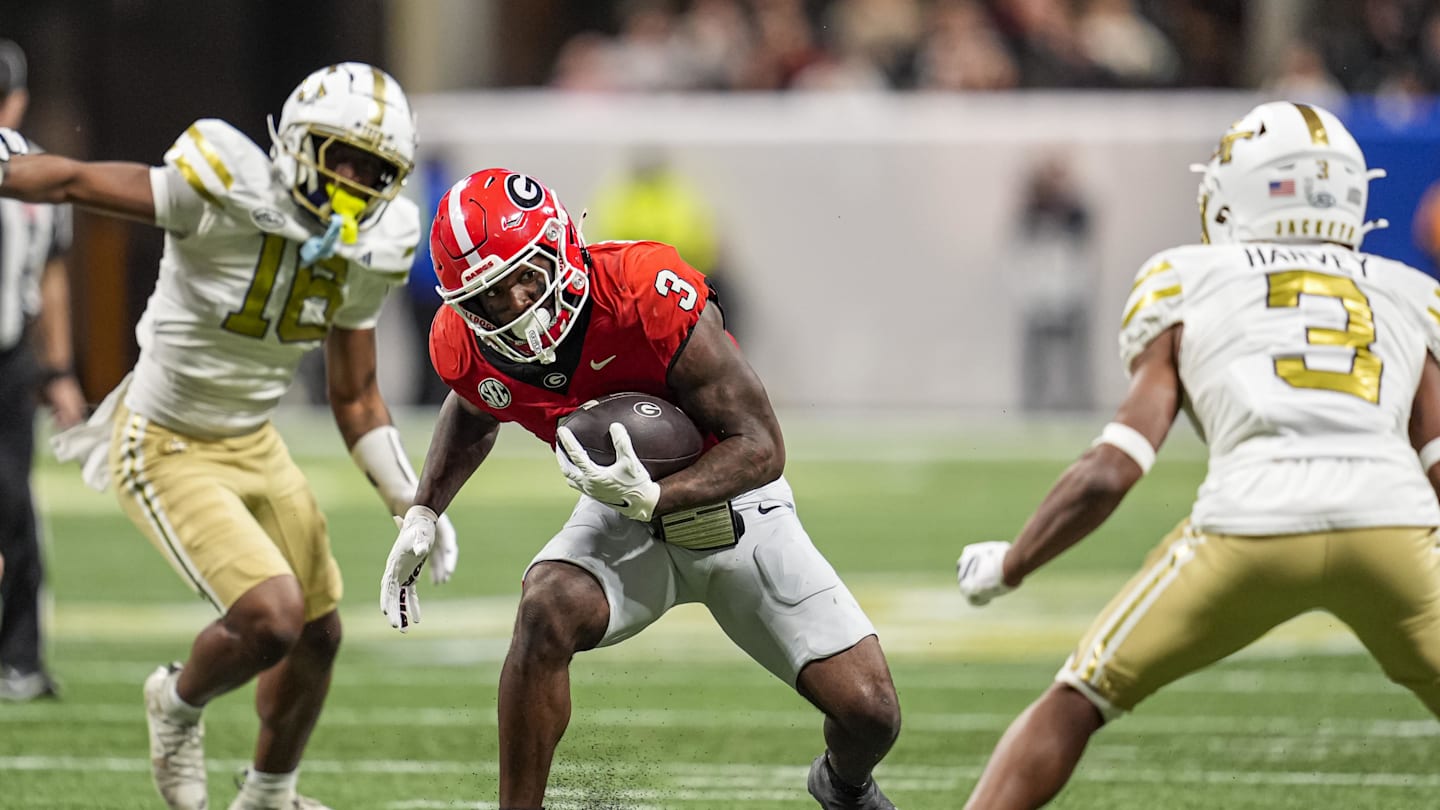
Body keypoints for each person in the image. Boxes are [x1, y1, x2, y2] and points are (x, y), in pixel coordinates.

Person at [955, 101, 1440, 809]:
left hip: (1250, 524)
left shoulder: (1188, 277)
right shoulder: (1408, 291)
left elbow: (1113, 468)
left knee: (1078, 697)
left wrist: (1012, 563)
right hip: (1392, 525)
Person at [0, 62, 457, 810]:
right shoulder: (223, 188)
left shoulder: (376, 242)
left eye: (373, 169)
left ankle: (269, 795)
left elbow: (354, 394)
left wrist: (413, 501)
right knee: (272, 617)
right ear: (297, 143)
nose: (352, 182)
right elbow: (76, 182)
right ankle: (176, 703)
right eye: (339, 157)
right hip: (164, 437)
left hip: (254, 440)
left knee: (319, 633)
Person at [379, 168, 902, 810]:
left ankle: (843, 786)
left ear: (560, 249)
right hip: (624, 516)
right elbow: (473, 406)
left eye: (526, 276)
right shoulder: (468, 342)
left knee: (872, 713)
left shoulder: (643, 291)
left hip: (734, 507)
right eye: (490, 295)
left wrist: (659, 496)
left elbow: (761, 445)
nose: (515, 303)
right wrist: (424, 512)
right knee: (545, 609)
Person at [0, 38, 86, 703]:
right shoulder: (41, 171)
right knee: (13, 507)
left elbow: (51, 276)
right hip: (16, 356)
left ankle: (20, 657)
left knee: (14, 505)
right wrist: (58, 369)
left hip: (10, 359)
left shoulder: (34, 175)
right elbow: (53, 282)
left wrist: (56, 369)